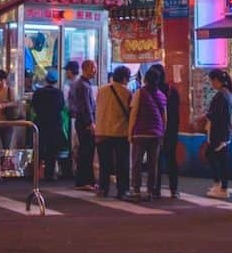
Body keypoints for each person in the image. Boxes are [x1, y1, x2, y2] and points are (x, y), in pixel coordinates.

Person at [128, 67, 167, 201]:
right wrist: (162, 132)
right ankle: (151, 191)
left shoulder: (139, 93)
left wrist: (130, 132)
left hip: (140, 133)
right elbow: (164, 117)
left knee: (137, 162)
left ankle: (136, 189)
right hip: (156, 134)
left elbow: (134, 113)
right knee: (153, 164)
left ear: (145, 79)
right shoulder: (162, 95)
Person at [95, 66, 132, 199]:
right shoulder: (127, 92)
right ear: (124, 78)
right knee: (122, 163)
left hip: (102, 131)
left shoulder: (102, 90)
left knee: (104, 163)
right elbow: (130, 111)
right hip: (120, 132)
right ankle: (122, 190)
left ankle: (103, 189)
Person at [151, 63, 181, 199]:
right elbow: (176, 114)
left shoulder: (150, 91)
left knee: (155, 160)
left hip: (155, 130)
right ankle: (174, 189)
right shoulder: (172, 91)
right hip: (170, 132)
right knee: (171, 161)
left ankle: (155, 189)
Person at [203, 69, 232, 199]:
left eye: (211, 81)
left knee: (212, 156)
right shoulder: (228, 94)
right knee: (221, 159)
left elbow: (214, 115)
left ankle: (220, 186)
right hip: (225, 132)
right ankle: (222, 186)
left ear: (216, 80)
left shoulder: (220, 95)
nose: (211, 84)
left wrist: (201, 118)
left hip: (218, 132)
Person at [32, 71, 67, 182]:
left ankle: (35, 173)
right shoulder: (58, 93)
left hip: (41, 123)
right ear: (56, 81)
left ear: (46, 80)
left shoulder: (38, 92)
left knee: (39, 148)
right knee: (52, 150)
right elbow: (61, 107)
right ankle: (49, 174)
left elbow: (34, 106)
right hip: (54, 124)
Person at [68, 59, 98, 190]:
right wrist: (90, 122)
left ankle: (87, 180)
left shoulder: (82, 84)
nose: (95, 72)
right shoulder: (82, 85)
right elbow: (85, 106)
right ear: (86, 69)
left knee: (86, 150)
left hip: (83, 120)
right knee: (86, 151)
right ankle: (84, 181)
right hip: (84, 121)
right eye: (93, 68)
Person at [62, 61, 80, 179]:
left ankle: (74, 170)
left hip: (75, 118)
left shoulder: (74, 85)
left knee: (75, 145)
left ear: (70, 71)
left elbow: (69, 104)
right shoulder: (73, 84)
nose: (65, 73)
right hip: (74, 117)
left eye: (66, 70)